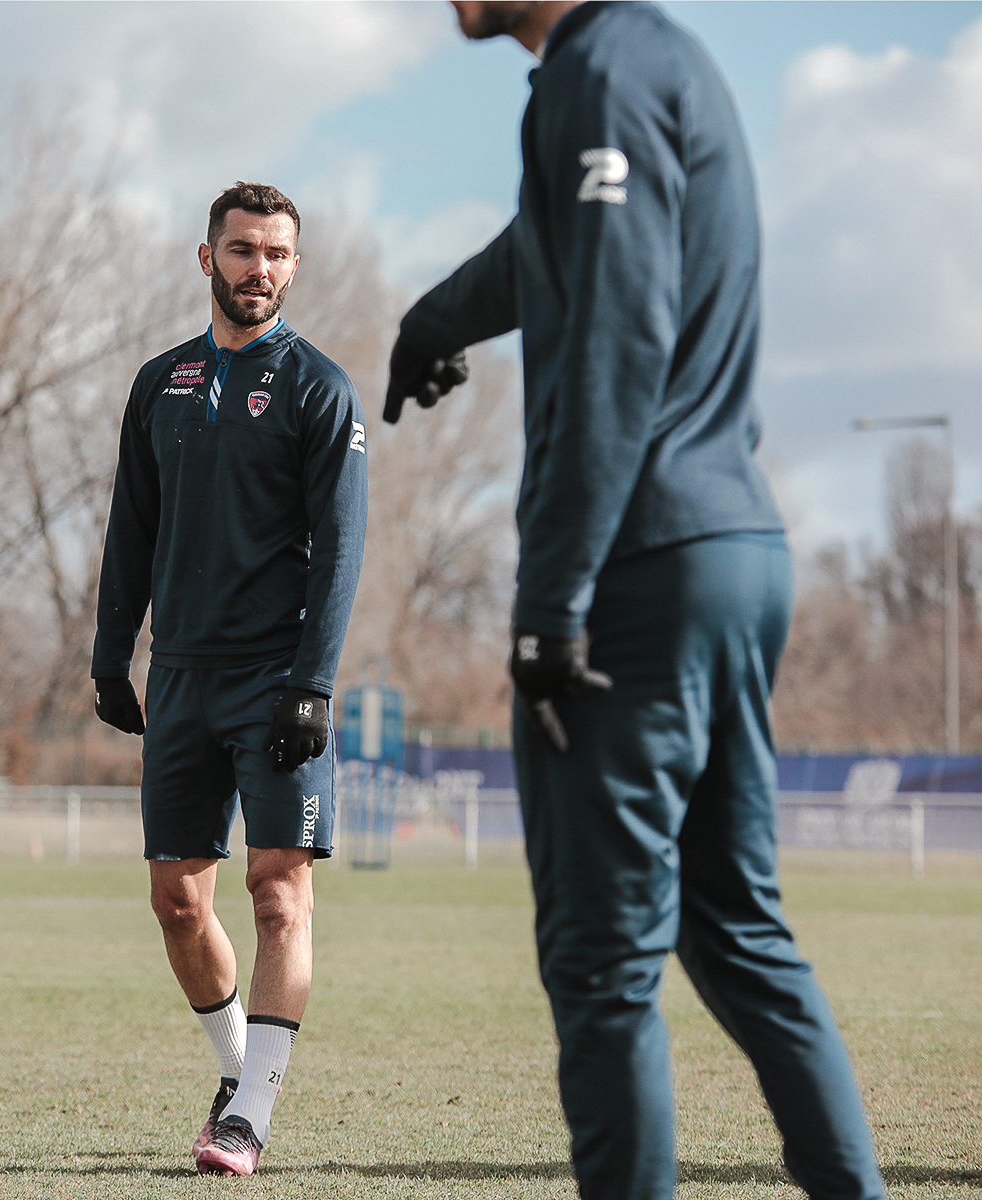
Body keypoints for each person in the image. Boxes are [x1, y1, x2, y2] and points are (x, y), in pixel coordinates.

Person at [385, 4, 886, 1198]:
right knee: (739, 934)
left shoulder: (599, 70)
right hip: (731, 547)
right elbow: (553, 250)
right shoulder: (658, 62)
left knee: (602, 967)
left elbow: (616, 329)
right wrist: (432, 320)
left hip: (638, 572)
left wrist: (552, 598)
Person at [92, 182, 367, 1176]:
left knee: (278, 893)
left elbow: (341, 549)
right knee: (176, 900)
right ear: (205, 257)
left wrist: (313, 683)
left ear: (294, 264)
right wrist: (108, 651)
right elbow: (131, 530)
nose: (262, 269)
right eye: (244, 250)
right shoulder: (158, 383)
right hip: (181, 679)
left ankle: (250, 1114)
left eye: (279, 254)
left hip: (275, 677)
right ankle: (235, 1069)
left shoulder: (317, 387)